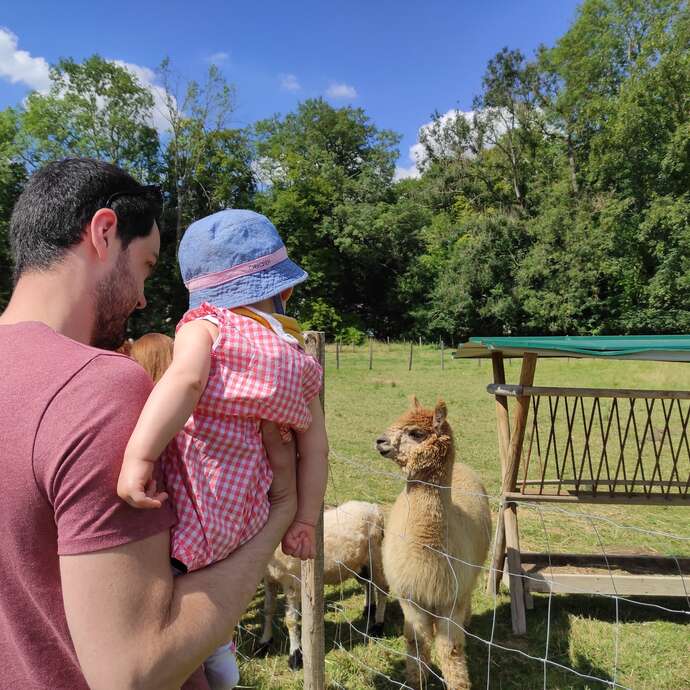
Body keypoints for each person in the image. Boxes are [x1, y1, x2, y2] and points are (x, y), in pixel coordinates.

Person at [0, 158, 298, 690]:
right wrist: (279, 515)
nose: (141, 298)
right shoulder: (98, 387)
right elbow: (134, 672)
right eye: (145, 265)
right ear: (104, 231)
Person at [117, 210, 330, 689]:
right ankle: (219, 655)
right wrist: (305, 521)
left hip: (199, 499)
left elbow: (186, 380)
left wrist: (140, 456)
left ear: (201, 292)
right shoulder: (298, 356)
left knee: (173, 587)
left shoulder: (205, 325)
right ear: (286, 290)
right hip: (252, 512)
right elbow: (316, 450)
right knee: (218, 583)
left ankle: (203, 656)